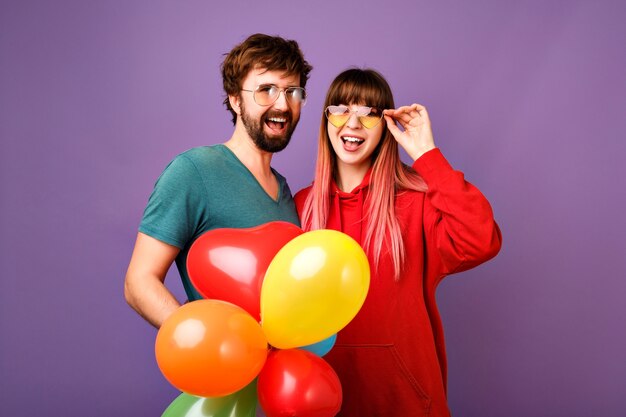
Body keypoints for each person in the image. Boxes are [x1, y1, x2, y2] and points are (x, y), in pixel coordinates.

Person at [294, 68, 502, 416]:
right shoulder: (300, 207)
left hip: (406, 402)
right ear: (326, 119)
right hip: (322, 401)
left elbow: (481, 240)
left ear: (386, 125)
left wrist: (427, 154)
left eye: (369, 114)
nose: (353, 123)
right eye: (341, 109)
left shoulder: (415, 201)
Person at [124, 34, 312, 328]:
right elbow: (138, 282)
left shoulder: (285, 192)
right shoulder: (193, 171)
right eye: (266, 90)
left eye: (292, 92)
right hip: (222, 369)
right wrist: (197, 339)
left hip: (280, 370)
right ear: (235, 100)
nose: (283, 105)